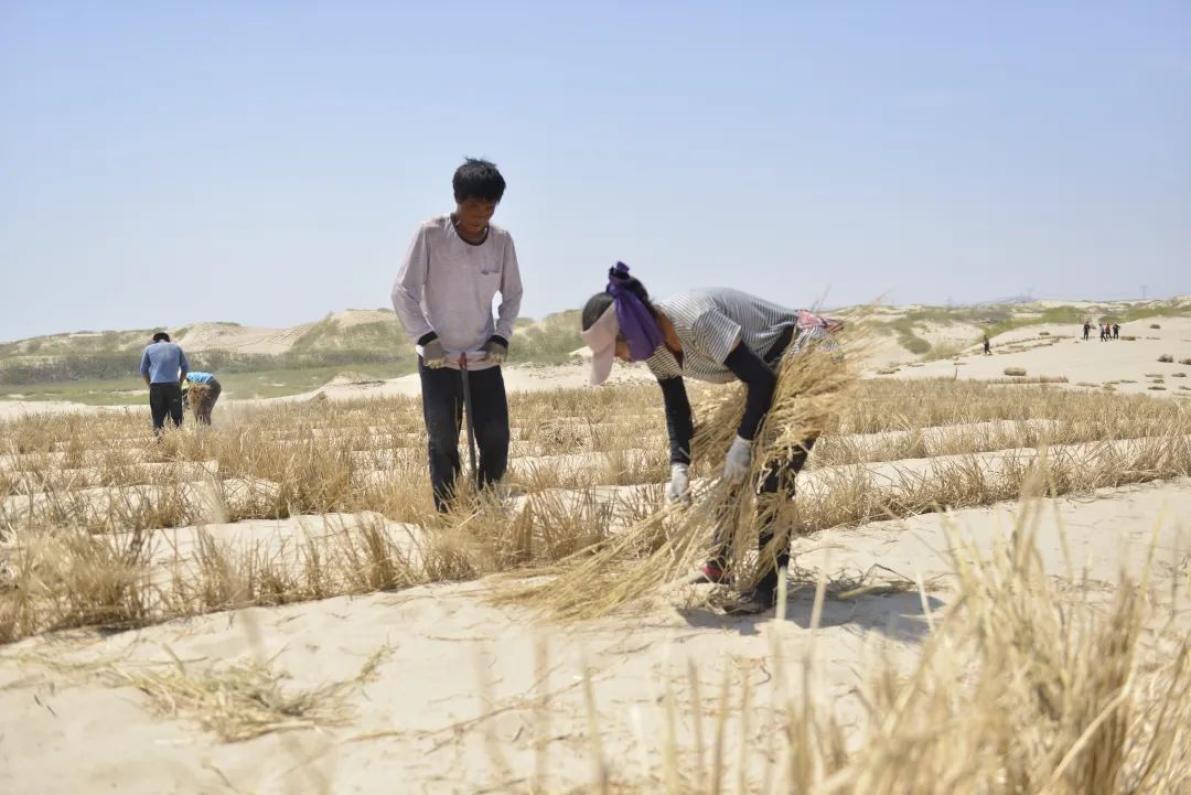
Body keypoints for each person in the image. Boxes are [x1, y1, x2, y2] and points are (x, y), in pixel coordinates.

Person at [579, 263, 837, 615]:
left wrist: (744, 443)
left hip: (804, 356)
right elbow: (676, 406)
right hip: (765, 372)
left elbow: (761, 381)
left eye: (617, 350)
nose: (621, 360)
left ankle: (767, 587)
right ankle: (720, 565)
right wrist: (679, 466)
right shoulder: (655, 350)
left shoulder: (696, 320)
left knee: (774, 477)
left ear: (632, 330)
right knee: (727, 469)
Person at [391, 158, 523, 512]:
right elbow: (403, 292)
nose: (480, 214)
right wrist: (425, 338)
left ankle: (487, 507)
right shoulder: (430, 234)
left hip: (483, 358)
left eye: (489, 207)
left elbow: (512, 295)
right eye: (472, 206)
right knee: (444, 438)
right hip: (439, 360)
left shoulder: (502, 242)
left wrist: (501, 336)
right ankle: (448, 516)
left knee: (495, 437)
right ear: (456, 200)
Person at [139, 331, 189, 433]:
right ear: (168, 340)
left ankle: (160, 443)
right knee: (177, 417)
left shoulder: (148, 349)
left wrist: (150, 385)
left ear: (155, 341)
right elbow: (185, 368)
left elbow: (143, 370)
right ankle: (179, 440)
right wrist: (179, 383)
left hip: (156, 386)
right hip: (173, 385)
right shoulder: (176, 348)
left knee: (157, 417)